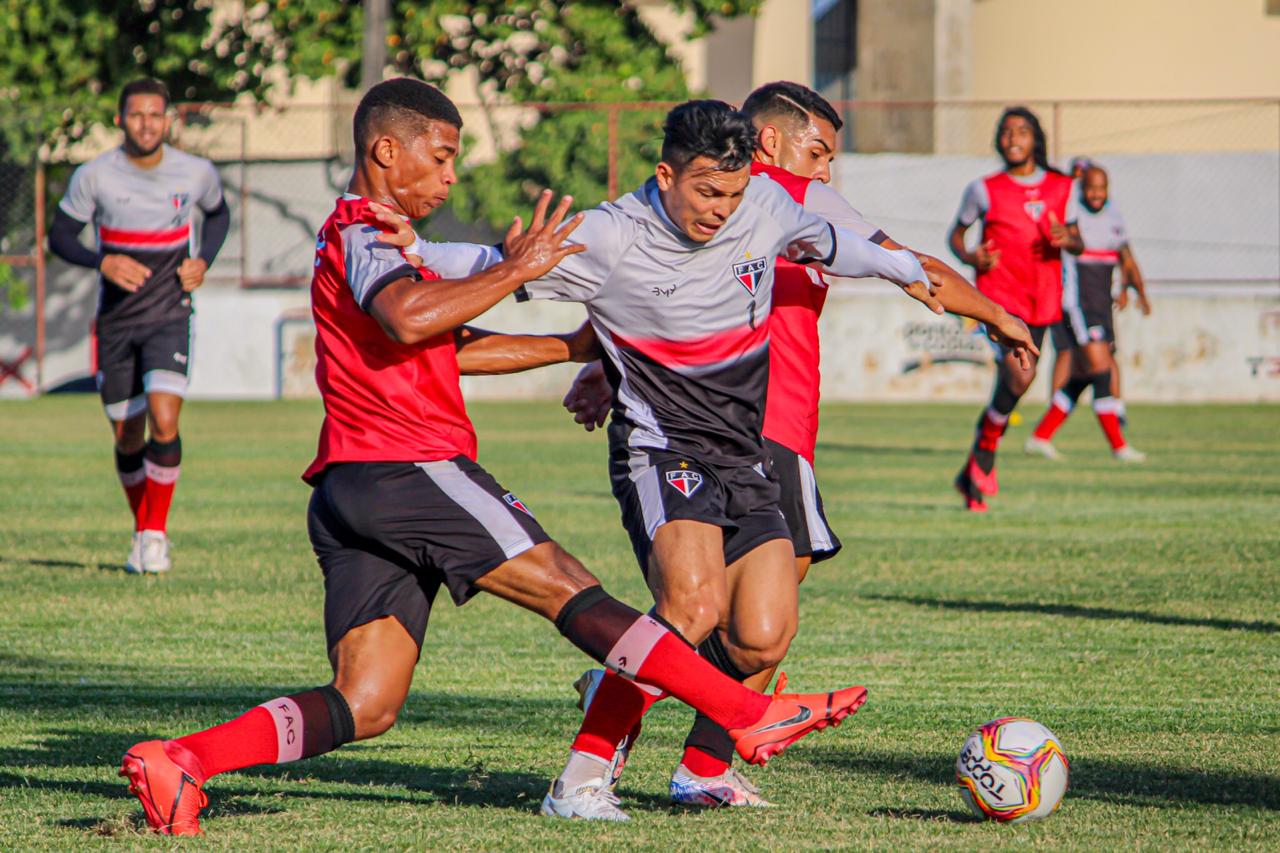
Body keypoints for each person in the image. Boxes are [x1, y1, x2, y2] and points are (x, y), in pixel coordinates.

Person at [115, 79, 870, 837]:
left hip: (353, 486)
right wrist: (517, 268)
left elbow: (454, 347)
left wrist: (577, 346)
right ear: (386, 150)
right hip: (412, 465)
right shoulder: (365, 229)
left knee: (366, 701)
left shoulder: (365, 238)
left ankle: (183, 759)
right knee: (570, 589)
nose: (449, 178)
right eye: (441, 158)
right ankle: (746, 713)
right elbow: (409, 318)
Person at [515, 99, 1036, 821]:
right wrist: (1003, 315)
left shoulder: (765, 208)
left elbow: (846, 254)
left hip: (752, 444)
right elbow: (592, 281)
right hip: (718, 437)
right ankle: (604, 760)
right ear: (770, 141)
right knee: (696, 608)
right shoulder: (708, 207)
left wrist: (894, 268)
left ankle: (662, 716)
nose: (827, 172)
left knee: (761, 630)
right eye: (818, 151)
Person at [49, 78, 231, 573]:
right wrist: (100, 260)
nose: (147, 123)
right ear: (120, 119)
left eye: (155, 114)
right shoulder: (95, 176)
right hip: (116, 322)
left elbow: (217, 216)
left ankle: (154, 535)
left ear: (168, 119)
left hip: (170, 314)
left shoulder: (194, 172)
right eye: (137, 115)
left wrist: (204, 261)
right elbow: (60, 235)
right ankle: (143, 531)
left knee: (165, 418)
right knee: (128, 435)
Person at [948, 106, 1084, 512]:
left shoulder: (1062, 186)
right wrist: (972, 256)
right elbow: (956, 235)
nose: (1012, 138)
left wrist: (1068, 239)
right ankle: (985, 456)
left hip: (1041, 299)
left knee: (1016, 383)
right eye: (1006, 132)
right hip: (998, 299)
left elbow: (1078, 239)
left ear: (1035, 139)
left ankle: (973, 469)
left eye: (1021, 131)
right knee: (1019, 374)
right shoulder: (984, 189)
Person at [1028, 164, 1149, 460]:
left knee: (1088, 374)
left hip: (1102, 304)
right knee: (1101, 368)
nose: (1096, 194)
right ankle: (1119, 446)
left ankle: (1041, 436)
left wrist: (1133, 290)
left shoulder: (1114, 217)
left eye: (1101, 188)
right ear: (1082, 190)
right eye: (1091, 188)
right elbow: (1068, 242)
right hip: (1077, 304)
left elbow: (1125, 257)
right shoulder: (1073, 215)